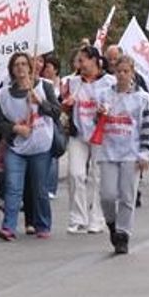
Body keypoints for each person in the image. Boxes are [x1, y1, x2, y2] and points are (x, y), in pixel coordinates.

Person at [0, 52, 59, 241]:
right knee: (13, 186)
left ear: (30, 67)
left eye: (24, 64)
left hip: (40, 146)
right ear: (12, 70)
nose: (20, 68)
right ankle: (8, 227)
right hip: (17, 147)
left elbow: (55, 112)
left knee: (39, 188)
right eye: (16, 65)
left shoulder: (44, 87)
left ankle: (42, 224)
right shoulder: (4, 94)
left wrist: (40, 102)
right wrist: (15, 128)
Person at [95, 55, 149, 254]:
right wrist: (99, 115)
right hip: (109, 150)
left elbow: (146, 126)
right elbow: (96, 122)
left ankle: (123, 234)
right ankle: (111, 222)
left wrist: (145, 151)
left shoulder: (142, 98)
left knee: (127, 196)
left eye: (126, 71)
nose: (122, 75)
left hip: (131, 151)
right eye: (118, 71)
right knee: (108, 195)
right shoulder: (104, 95)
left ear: (132, 73)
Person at [62, 46, 113, 233]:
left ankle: (98, 219)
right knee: (75, 174)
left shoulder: (109, 82)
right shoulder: (73, 82)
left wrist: (106, 110)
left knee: (98, 176)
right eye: (78, 61)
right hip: (79, 134)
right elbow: (63, 104)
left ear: (94, 61)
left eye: (82, 60)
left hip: (101, 134)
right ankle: (78, 217)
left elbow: (117, 103)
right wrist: (66, 105)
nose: (79, 65)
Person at [40, 54, 63, 200]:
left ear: (55, 69)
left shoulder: (62, 83)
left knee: (53, 155)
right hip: (42, 122)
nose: (45, 69)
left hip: (55, 122)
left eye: (48, 66)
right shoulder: (41, 83)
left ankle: (50, 188)